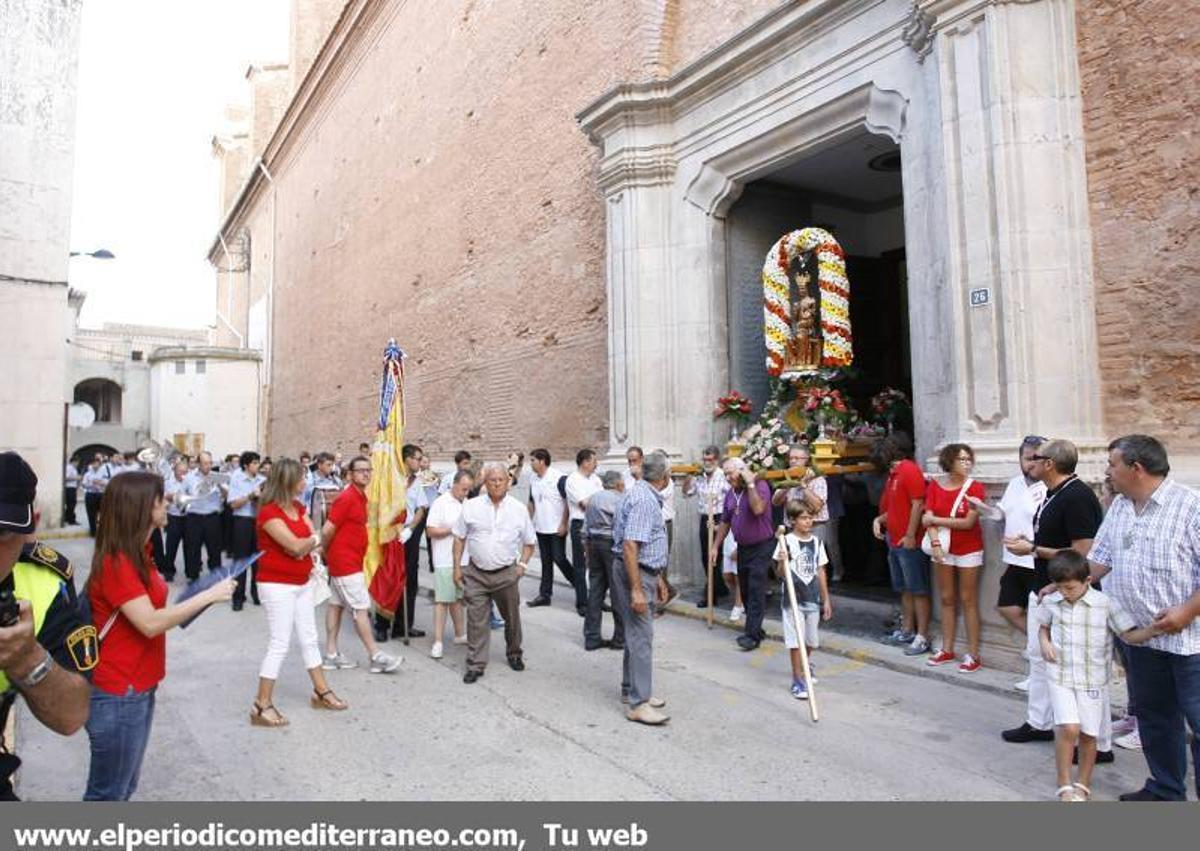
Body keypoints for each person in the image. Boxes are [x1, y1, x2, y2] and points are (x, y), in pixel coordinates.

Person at [81, 471, 235, 800]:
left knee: (123, 787)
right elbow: (149, 622)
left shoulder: (139, 552)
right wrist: (208, 595)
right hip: (118, 688)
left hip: (137, 684)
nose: (168, 503)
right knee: (108, 794)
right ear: (140, 508)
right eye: (160, 499)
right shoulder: (118, 561)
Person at [1087, 435, 1200, 801]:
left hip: (1191, 642)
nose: (1108, 471)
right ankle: (1166, 790)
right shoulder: (1120, 506)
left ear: (1136, 468)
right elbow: (1100, 559)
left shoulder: (1191, 507)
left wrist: (1186, 611)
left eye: (1113, 464)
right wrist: (1067, 584)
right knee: (1154, 717)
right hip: (1141, 638)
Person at [1000, 438, 1109, 757]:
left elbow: (1082, 553)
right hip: (1045, 587)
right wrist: (1031, 544)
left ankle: (1096, 743)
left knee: (1080, 669)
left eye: (1036, 458)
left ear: (1050, 464)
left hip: (1068, 593)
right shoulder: (1052, 493)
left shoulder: (1077, 497)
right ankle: (1040, 722)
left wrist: (1033, 549)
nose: (1029, 462)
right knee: (1038, 657)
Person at [0, 452, 93, 801]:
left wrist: (27, 660)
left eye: (0, 534)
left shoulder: (42, 585)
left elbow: (72, 715)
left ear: (30, 529)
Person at [1036, 550, 1159, 801]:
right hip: (1060, 674)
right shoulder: (1052, 601)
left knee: (1089, 733)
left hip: (1092, 678)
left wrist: (1153, 631)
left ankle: (1083, 783)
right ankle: (1064, 782)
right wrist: (1044, 642)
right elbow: (1043, 626)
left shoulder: (1105, 604)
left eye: (1070, 588)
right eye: (1060, 588)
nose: (1065, 593)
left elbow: (1128, 634)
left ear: (1087, 581)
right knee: (1068, 727)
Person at [251, 458, 349, 727]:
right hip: (276, 584)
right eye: (302, 477)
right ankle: (261, 704)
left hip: (302, 581)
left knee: (309, 637)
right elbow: (295, 546)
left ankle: (321, 691)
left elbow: (310, 538)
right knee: (279, 643)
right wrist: (314, 541)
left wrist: (312, 542)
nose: (305, 481)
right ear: (288, 480)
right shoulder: (269, 513)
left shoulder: (297, 506)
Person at [968, 435, 1047, 689]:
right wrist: (982, 508)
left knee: (1038, 617)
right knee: (1008, 607)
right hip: (1014, 559)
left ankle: (1038, 672)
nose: (1031, 463)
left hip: (1036, 559)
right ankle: (1040, 645)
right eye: (1027, 458)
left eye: (1037, 458)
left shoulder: (1048, 487)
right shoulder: (1015, 484)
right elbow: (1001, 513)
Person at [451, 463, 536, 684]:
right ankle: (475, 664)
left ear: (508, 482)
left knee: (511, 618)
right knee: (476, 621)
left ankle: (514, 653)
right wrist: (457, 568)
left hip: (506, 574)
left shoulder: (518, 509)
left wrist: (522, 566)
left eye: (500, 480)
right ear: (485, 483)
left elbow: (529, 543)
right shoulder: (471, 507)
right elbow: (459, 538)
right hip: (476, 573)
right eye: (492, 480)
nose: (497, 483)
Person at [320, 456, 401, 674]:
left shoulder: (360, 497)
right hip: (344, 563)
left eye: (368, 470)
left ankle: (331, 654)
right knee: (361, 608)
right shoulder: (346, 498)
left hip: (350, 561)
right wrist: (326, 551)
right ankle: (375, 655)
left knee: (336, 606)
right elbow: (327, 529)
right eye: (361, 470)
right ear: (350, 474)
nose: (366, 474)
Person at [610, 451, 672, 724]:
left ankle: (631, 690)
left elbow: (642, 544)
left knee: (635, 634)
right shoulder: (645, 500)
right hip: (634, 573)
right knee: (641, 636)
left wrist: (656, 577)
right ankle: (638, 702)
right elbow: (630, 545)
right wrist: (637, 589)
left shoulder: (639, 493)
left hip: (642, 571)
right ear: (665, 477)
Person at [922, 443, 986, 672]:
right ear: (950, 461)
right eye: (962, 459)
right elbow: (925, 517)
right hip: (943, 548)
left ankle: (973, 654)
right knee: (947, 598)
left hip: (968, 548)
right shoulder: (936, 486)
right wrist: (936, 544)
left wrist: (936, 522)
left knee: (968, 600)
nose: (967, 463)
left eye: (969, 459)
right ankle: (947, 648)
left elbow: (968, 523)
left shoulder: (975, 487)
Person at [873, 433, 933, 656]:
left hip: (908, 540)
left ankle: (922, 635)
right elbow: (895, 508)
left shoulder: (908, 470)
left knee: (918, 588)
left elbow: (917, 503)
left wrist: (910, 535)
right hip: (895, 537)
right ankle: (907, 629)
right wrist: (879, 520)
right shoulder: (895, 473)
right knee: (905, 588)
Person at [710, 457, 775, 651]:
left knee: (755, 589)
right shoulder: (731, 494)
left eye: (731, 473)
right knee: (745, 591)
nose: (729, 478)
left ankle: (751, 636)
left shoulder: (760, 486)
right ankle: (756, 629)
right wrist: (715, 546)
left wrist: (751, 483)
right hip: (743, 547)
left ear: (743, 471)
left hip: (761, 546)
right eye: (726, 474)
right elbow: (725, 521)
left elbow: (758, 509)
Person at [774, 502, 833, 700]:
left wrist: (826, 600)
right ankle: (797, 678)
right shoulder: (786, 541)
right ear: (792, 521)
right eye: (804, 518)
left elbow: (820, 571)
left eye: (810, 518)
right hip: (793, 599)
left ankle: (805, 665)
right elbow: (780, 574)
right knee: (796, 640)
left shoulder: (816, 542)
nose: (808, 522)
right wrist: (782, 561)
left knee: (811, 641)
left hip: (812, 598)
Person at [425, 469, 472, 659]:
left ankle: (460, 634)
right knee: (443, 600)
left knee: (458, 599)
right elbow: (430, 530)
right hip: (444, 559)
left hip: (466, 559)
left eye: (468, 490)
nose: (465, 493)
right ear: (454, 484)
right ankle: (437, 641)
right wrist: (451, 530)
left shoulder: (468, 503)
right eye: (463, 489)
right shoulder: (441, 503)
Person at [526, 449, 576, 610]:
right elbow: (532, 501)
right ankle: (544, 595)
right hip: (541, 527)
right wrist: (527, 521)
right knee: (546, 562)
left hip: (556, 528)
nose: (531, 463)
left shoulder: (559, 478)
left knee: (559, 558)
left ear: (542, 461)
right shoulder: (533, 478)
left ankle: (579, 584)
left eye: (533, 460)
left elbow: (569, 502)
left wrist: (564, 523)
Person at [582, 471, 626, 651]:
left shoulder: (593, 499)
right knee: (618, 591)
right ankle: (620, 638)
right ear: (617, 484)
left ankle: (591, 637)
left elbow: (585, 527)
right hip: (610, 545)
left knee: (595, 591)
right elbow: (621, 527)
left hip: (593, 544)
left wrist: (586, 547)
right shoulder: (620, 499)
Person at [682, 445, 730, 606]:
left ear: (716, 460)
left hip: (720, 518)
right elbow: (687, 493)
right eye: (705, 459)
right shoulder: (699, 477)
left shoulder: (723, 476)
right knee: (705, 556)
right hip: (704, 518)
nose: (707, 462)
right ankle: (720, 587)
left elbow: (731, 496)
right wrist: (689, 478)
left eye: (710, 459)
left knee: (715, 556)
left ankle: (711, 595)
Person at [565, 449, 602, 615]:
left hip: (597, 524)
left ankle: (598, 600)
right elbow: (583, 504)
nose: (596, 464)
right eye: (594, 460)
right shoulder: (572, 480)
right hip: (580, 524)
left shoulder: (595, 479)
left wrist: (595, 502)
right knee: (580, 565)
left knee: (598, 566)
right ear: (585, 462)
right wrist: (599, 503)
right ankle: (582, 603)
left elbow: (600, 499)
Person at [228, 451, 265, 611]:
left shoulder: (263, 480)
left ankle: (256, 593)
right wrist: (250, 496)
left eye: (258, 463)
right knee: (241, 561)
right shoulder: (236, 479)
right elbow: (233, 504)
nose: (258, 466)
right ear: (246, 465)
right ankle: (238, 596)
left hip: (258, 521)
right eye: (254, 463)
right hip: (242, 521)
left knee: (258, 561)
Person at [181, 452, 224, 581]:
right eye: (205, 463)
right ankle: (193, 576)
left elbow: (227, 495)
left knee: (214, 548)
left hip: (212, 517)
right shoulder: (189, 477)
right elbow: (182, 496)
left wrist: (220, 486)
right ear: (199, 464)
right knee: (192, 547)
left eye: (210, 463)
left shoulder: (218, 477)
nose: (208, 466)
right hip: (194, 517)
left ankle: (215, 575)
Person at [160, 460, 188, 582]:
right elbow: (162, 497)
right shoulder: (168, 483)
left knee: (190, 546)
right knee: (171, 545)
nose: (183, 474)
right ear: (175, 471)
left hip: (188, 517)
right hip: (174, 516)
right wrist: (169, 496)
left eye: (185, 471)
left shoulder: (189, 482)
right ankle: (168, 570)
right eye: (180, 471)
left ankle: (191, 570)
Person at [81, 454, 109, 536]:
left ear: (100, 464)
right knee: (91, 514)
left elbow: (108, 482)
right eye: (93, 463)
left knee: (104, 514)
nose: (94, 465)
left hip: (101, 495)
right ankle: (93, 532)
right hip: (90, 494)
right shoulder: (88, 474)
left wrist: (101, 483)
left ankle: (103, 532)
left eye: (96, 463)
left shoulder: (104, 472)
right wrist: (91, 483)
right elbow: (83, 484)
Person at [63, 458, 79, 526]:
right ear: (74, 462)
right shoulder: (69, 468)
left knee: (71, 504)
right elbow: (66, 477)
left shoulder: (73, 468)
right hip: (69, 488)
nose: (78, 464)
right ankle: (71, 520)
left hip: (72, 488)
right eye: (77, 462)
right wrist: (77, 478)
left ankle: (67, 518)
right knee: (71, 504)